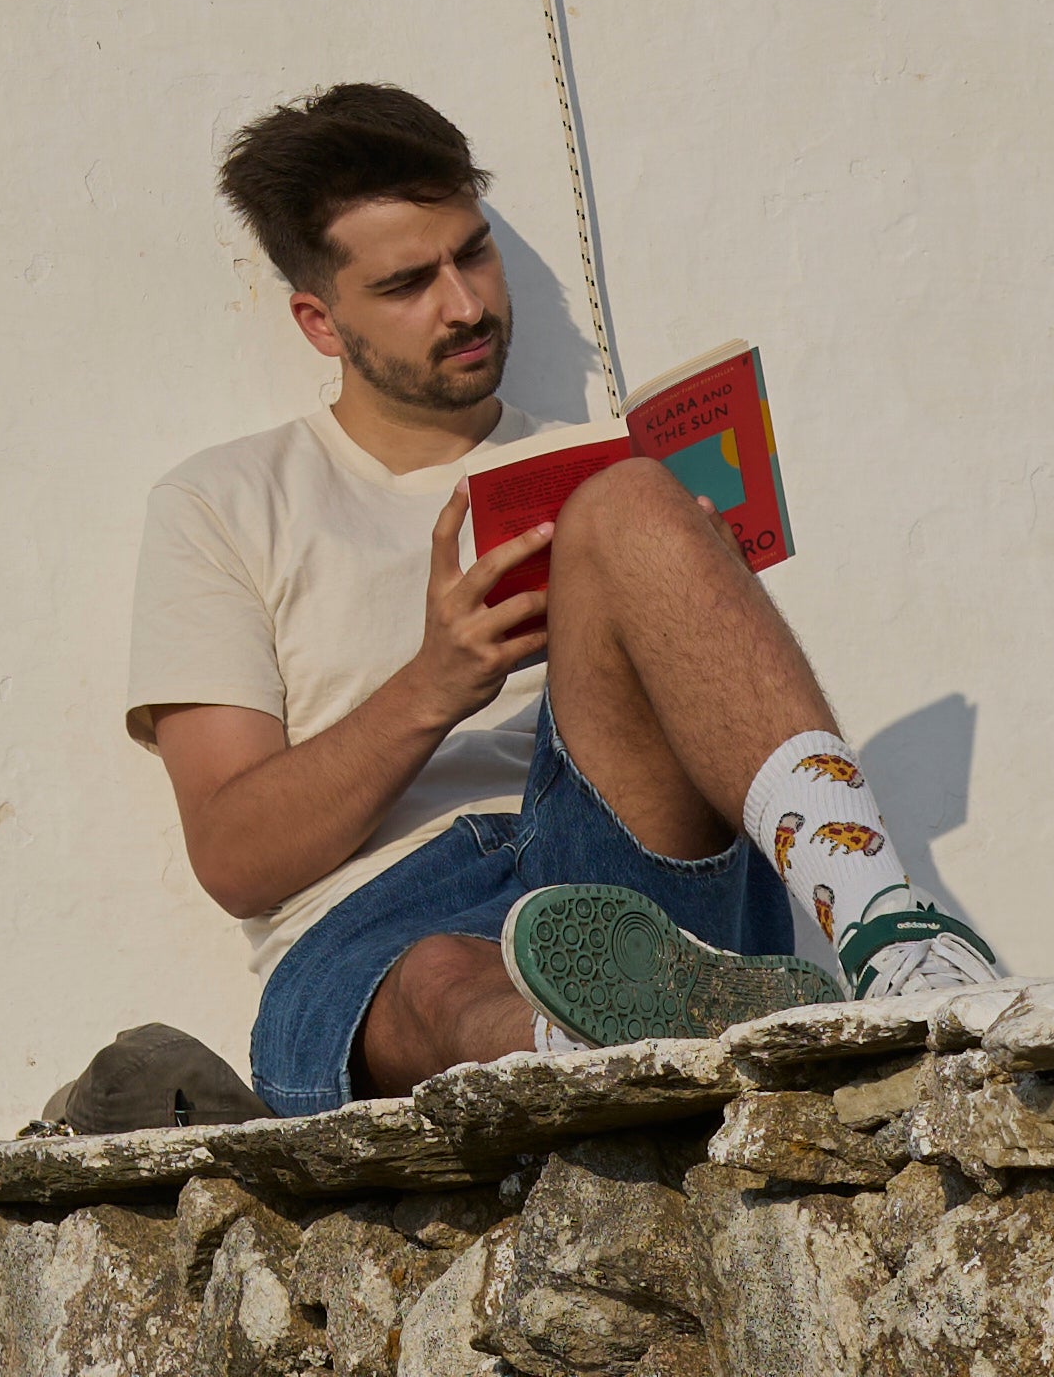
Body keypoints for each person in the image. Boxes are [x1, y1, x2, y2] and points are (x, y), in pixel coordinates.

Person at [120, 81, 997, 1105]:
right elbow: (233, 855)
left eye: (473, 254)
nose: (468, 304)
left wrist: (668, 578)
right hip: (383, 919)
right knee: (448, 980)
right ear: (321, 322)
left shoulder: (597, 464)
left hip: (617, 862)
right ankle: (587, 1043)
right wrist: (436, 684)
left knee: (628, 498)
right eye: (409, 284)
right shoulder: (222, 502)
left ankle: (890, 940)